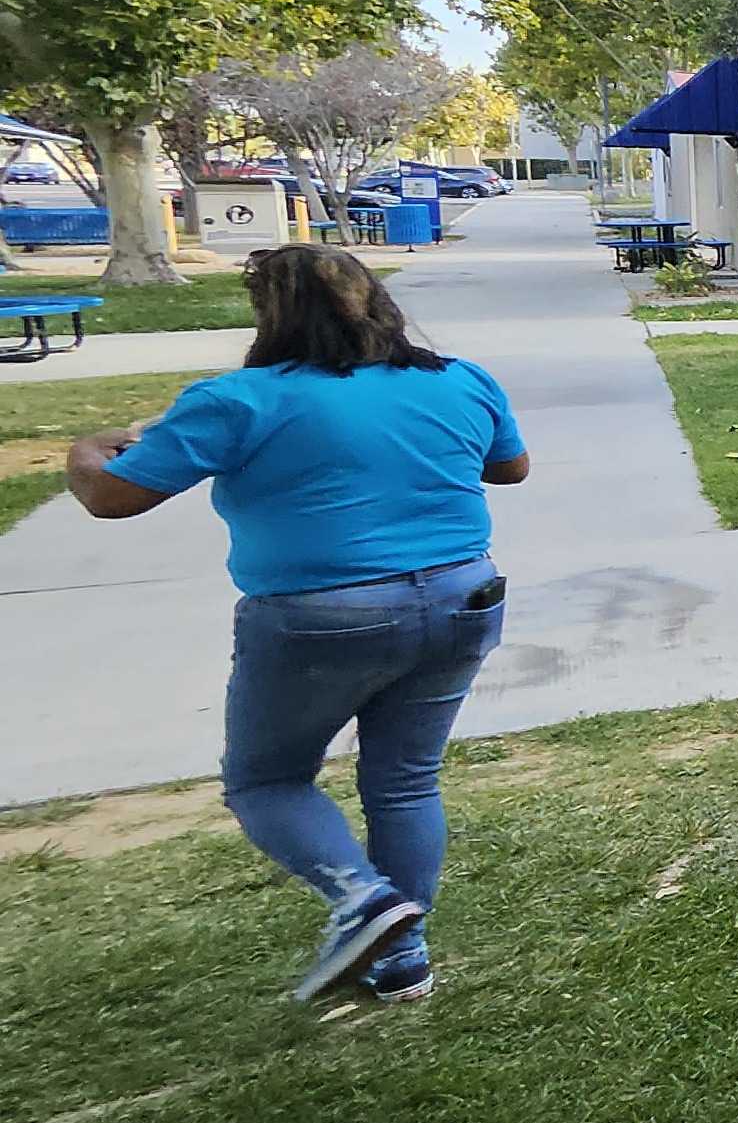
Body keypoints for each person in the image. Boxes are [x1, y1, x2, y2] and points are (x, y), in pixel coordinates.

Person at [61, 247, 526, 1004]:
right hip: (464, 598)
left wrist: (87, 452)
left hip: (321, 616)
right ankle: (399, 958)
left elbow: (113, 497)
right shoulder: (459, 379)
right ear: (379, 303)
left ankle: (365, 901)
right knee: (405, 779)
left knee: (266, 780)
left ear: (271, 315)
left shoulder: (239, 400)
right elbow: (509, 468)